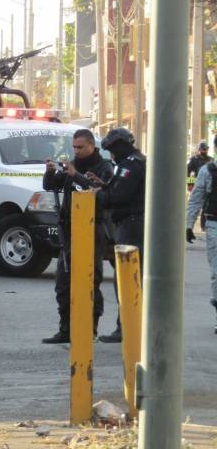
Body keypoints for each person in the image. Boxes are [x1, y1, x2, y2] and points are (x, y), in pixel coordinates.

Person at [41, 129, 114, 344]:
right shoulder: (72, 165)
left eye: (80, 147)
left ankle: (90, 329)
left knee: (90, 280)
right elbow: (50, 185)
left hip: (92, 229)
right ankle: (66, 329)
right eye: (74, 147)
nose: (77, 151)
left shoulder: (104, 167)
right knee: (63, 283)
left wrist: (76, 175)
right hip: (69, 229)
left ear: (91, 145)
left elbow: (103, 194)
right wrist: (50, 172)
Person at [92, 127, 146, 343]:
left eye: (113, 150)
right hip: (133, 224)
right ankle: (128, 325)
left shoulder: (130, 166)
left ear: (120, 147)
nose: (112, 155)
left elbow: (118, 196)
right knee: (131, 276)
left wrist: (99, 194)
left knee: (125, 277)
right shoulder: (135, 162)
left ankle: (126, 327)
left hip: (130, 226)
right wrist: (104, 186)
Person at [186, 134, 217, 334]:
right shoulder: (207, 169)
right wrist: (189, 224)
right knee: (216, 272)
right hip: (214, 225)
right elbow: (196, 197)